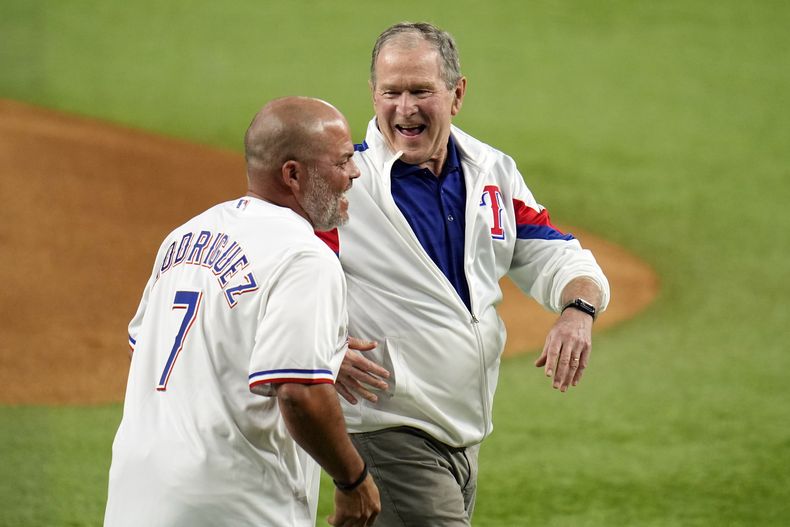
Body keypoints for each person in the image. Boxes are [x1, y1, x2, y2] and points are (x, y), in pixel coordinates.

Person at [317, 22, 611, 526]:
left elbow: (551, 252)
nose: (404, 108)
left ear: (457, 94)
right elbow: (278, 280)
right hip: (387, 429)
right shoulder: (345, 185)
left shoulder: (492, 171)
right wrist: (319, 346)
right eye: (391, 92)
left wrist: (578, 309)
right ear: (373, 94)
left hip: (463, 431)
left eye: (420, 91)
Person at [104, 96, 380, 527]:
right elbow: (298, 391)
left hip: (136, 491)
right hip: (234, 501)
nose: (355, 172)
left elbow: (144, 352)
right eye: (342, 161)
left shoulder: (183, 236)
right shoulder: (305, 256)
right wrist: (353, 480)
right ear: (293, 174)